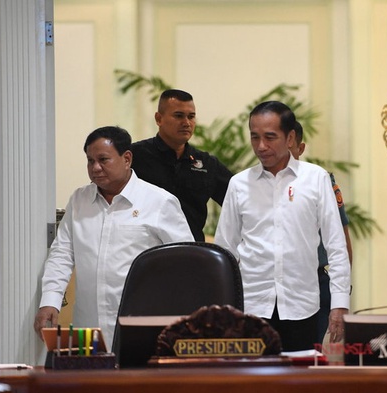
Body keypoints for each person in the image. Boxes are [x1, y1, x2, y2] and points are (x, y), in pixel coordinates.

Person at [34, 126, 194, 349]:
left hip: (142, 328)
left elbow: (186, 264)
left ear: (126, 158)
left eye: (103, 159)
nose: (95, 168)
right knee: (88, 383)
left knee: (135, 383)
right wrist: (49, 301)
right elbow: (62, 254)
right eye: (90, 161)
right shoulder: (80, 200)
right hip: (88, 329)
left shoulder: (159, 202)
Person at [214, 101, 351, 351]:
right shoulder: (239, 184)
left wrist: (340, 303)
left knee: (301, 384)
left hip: (302, 306)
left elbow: (336, 245)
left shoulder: (315, 179)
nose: (261, 146)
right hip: (252, 308)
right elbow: (225, 250)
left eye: (269, 137)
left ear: (290, 138)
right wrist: (225, 308)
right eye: (254, 137)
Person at [131, 89, 233, 241]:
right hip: (144, 251)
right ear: (159, 119)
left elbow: (238, 200)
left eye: (191, 117)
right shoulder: (134, 156)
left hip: (191, 252)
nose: (186, 123)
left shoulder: (206, 163)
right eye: (178, 116)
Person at [290, 121, 353, 344]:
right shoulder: (250, 183)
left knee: (311, 353)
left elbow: (341, 238)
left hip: (315, 281)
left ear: (300, 148)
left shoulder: (321, 180)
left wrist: (343, 293)